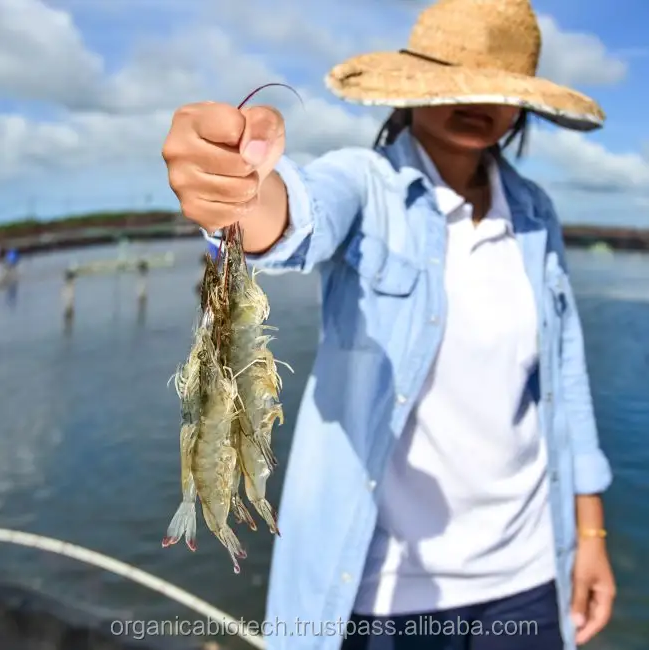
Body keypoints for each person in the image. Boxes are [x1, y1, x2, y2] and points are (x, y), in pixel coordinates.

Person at [161, 0, 616, 648]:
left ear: (523, 104)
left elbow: (566, 381)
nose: (478, 101)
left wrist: (590, 537)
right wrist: (234, 189)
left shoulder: (536, 213)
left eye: (498, 88)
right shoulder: (364, 182)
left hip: (530, 576)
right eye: (456, 83)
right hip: (386, 595)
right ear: (410, 89)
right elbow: (295, 216)